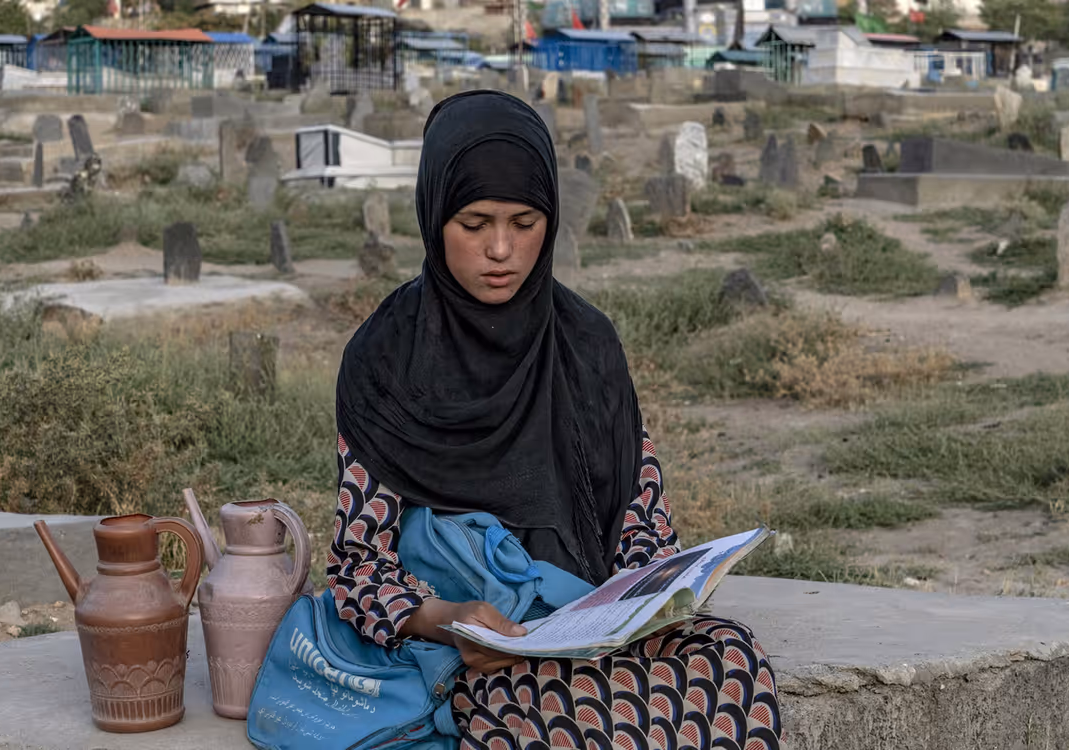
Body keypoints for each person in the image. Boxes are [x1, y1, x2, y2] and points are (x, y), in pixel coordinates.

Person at [330, 90, 781, 750]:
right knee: (558, 711)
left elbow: (641, 513)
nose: (502, 250)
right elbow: (359, 564)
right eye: (475, 222)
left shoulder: (585, 343)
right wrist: (449, 618)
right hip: (473, 643)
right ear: (433, 216)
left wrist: (648, 599)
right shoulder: (385, 360)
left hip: (592, 623)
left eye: (525, 220)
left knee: (729, 659)